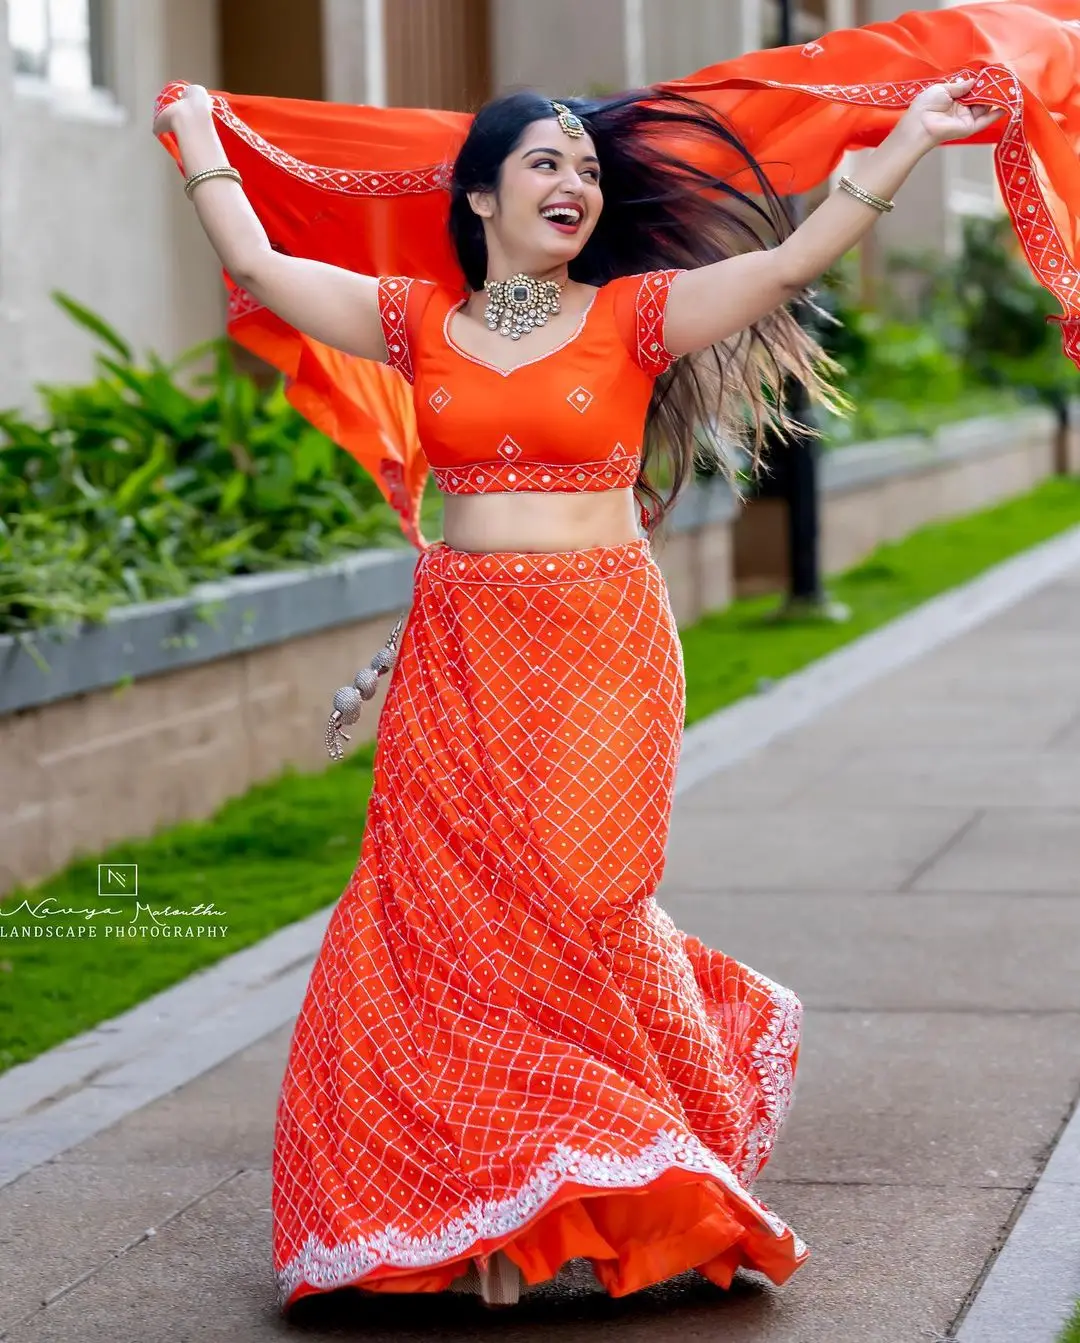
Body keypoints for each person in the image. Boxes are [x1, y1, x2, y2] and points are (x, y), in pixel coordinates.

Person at [154, 69, 997, 1313]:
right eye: (547, 164)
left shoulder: (635, 315)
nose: (576, 185)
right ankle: (493, 1206)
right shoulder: (416, 321)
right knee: (440, 925)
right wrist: (194, 138)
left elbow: (787, 264)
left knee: (577, 904)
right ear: (482, 194)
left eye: (589, 169)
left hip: (602, 642)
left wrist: (911, 142)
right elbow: (268, 269)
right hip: (462, 647)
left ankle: (613, 1166)